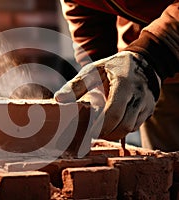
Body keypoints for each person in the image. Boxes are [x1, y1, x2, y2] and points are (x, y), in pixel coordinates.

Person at [55, 0, 179, 152]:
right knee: (166, 168)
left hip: (156, 53)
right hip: (154, 75)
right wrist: (101, 69)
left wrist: (153, 52)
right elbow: (84, 6)